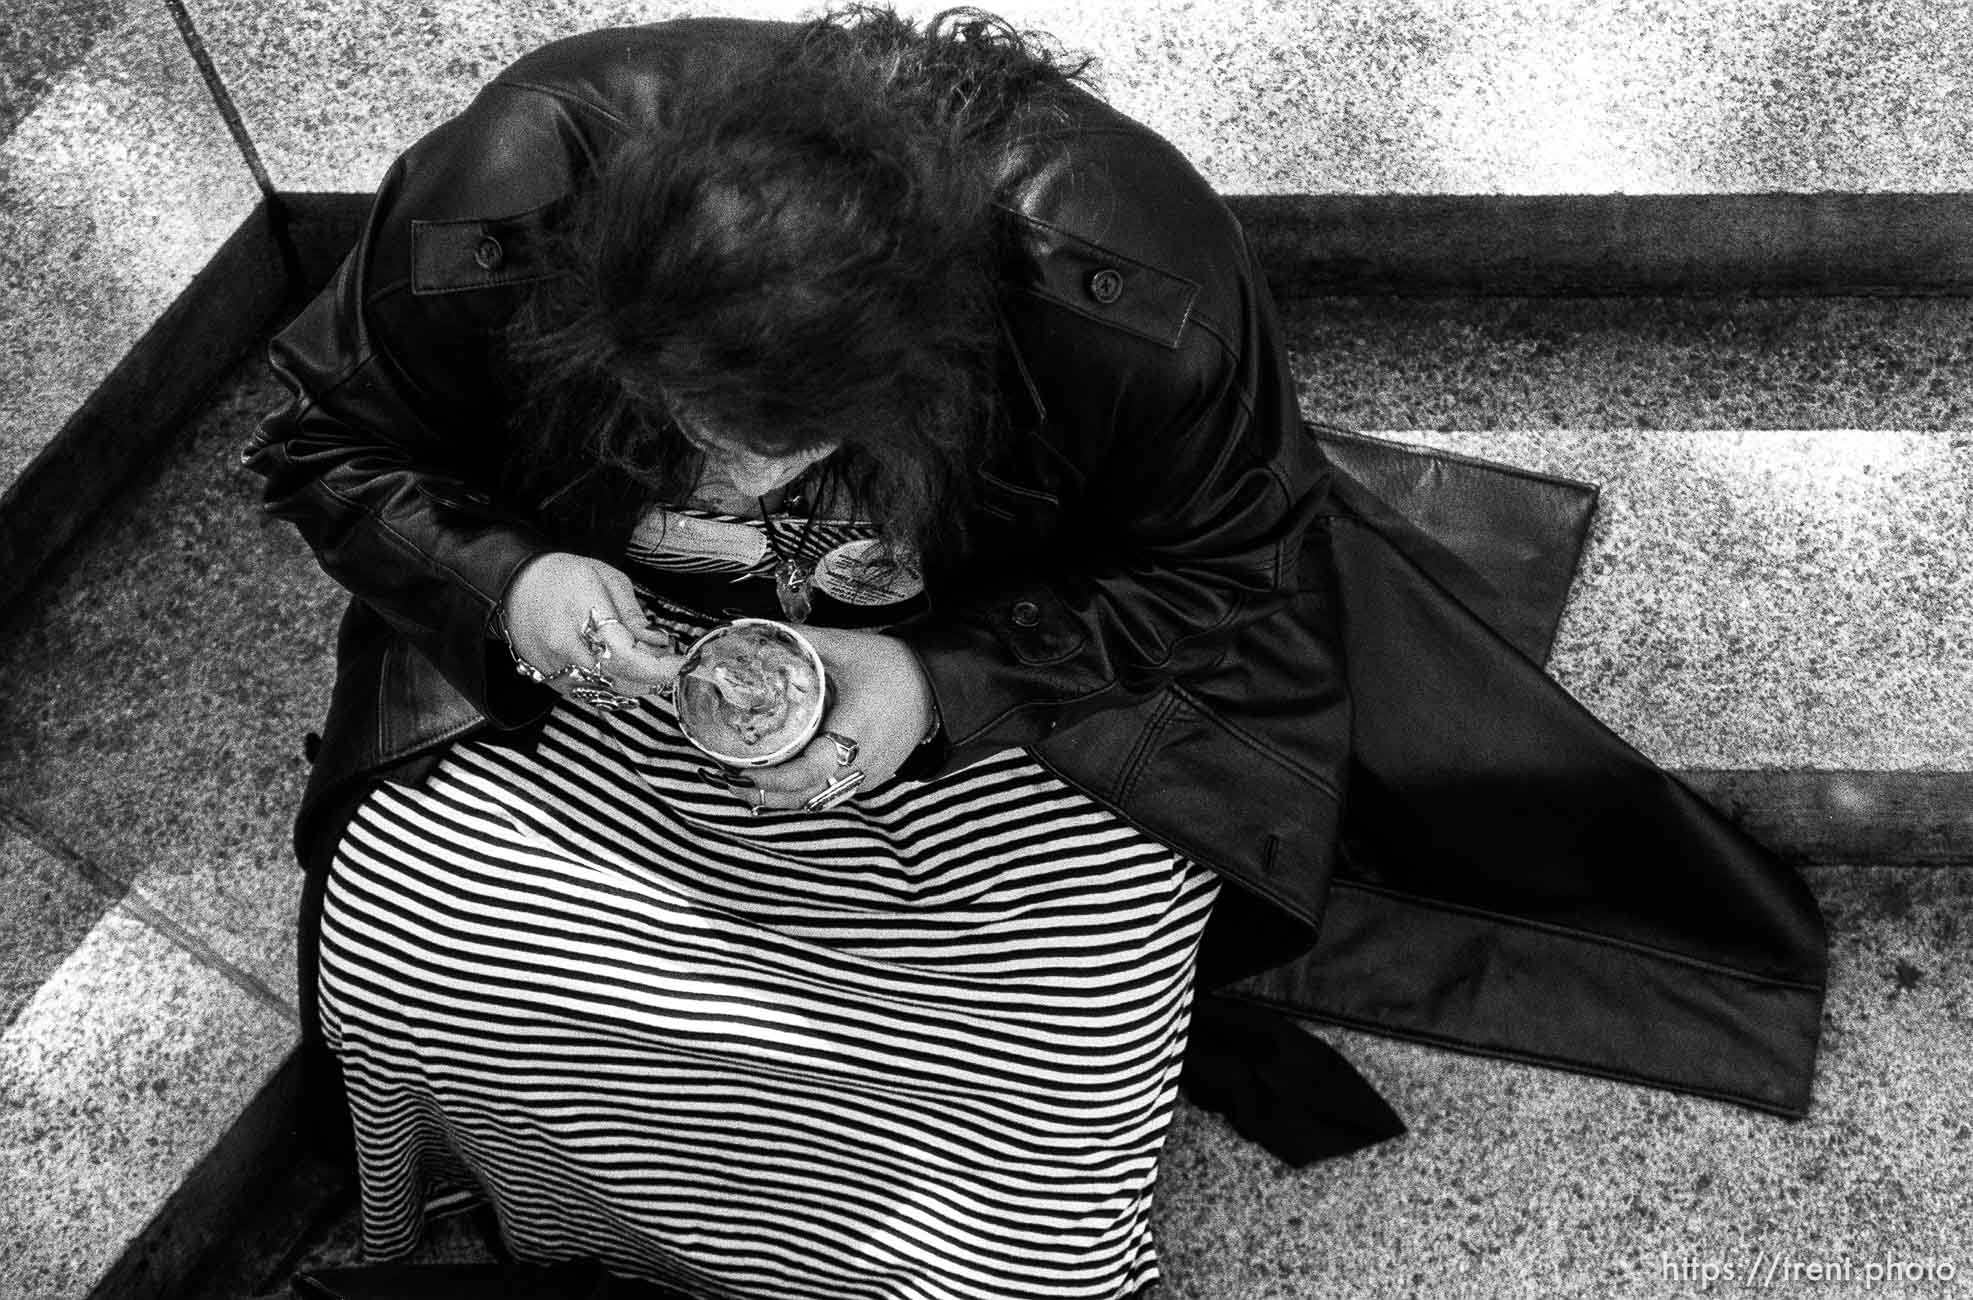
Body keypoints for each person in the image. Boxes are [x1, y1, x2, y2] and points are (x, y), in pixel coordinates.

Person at [246, 6, 1827, 1297]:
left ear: (932, 350)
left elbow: (1219, 567)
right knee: (422, 943)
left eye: (783, 435)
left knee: (1045, 1044)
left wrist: (932, 684)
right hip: (580, 665)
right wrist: (505, 577)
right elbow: (333, 440)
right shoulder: (509, 187)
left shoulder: (1125, 287)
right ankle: (593, 1229)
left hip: (1017, 668)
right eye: (677, 416)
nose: (717, 480)